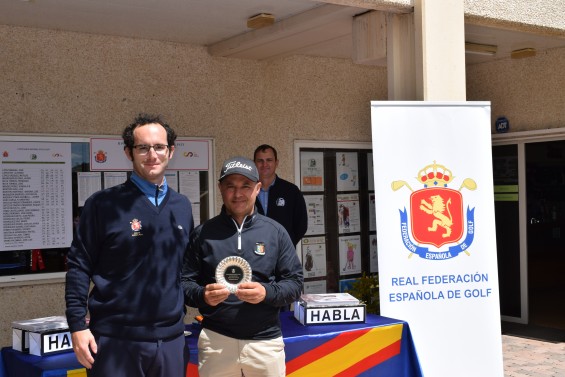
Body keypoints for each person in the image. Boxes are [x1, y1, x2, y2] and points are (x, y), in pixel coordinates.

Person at [65, 114, 194, 377]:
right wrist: (77, 326)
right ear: (128, 152)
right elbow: (78, 266)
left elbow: (184, 270)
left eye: (159, 147)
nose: (152, 154)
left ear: (170, 151)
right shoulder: (103, 205)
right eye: (142, 147)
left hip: (170, 340)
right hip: (116, 341)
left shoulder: (182, 206)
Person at [182, 156, 303, 377]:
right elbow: (184, 283)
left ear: (257, 188)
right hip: (216, 342)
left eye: (245, 186)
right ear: (220, 188)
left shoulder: (275, 232)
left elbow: (295, 284)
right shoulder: (203, 234)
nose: (238, 194)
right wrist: (203, 295)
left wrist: (266, 292)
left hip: (265, 344)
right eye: (231, 186)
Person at [253, 144, 308, 246]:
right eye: (260, 161)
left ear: (276, 163)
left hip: (283, 256)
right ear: (254, 164)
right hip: (254, 255)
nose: (264, 164)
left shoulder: (291, 191)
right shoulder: (247, 191)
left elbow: (301, 225)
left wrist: (286, 245)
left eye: (269, 160)